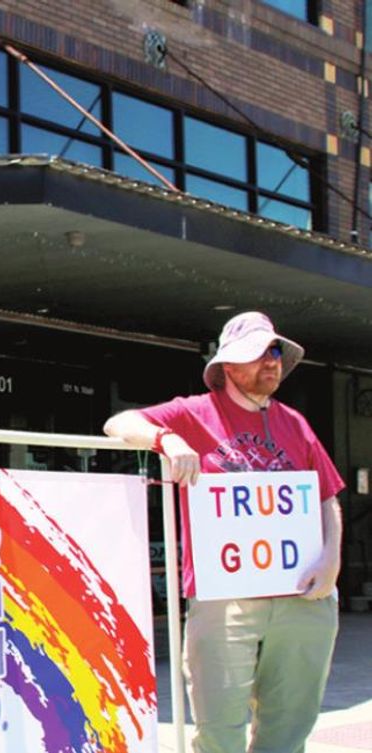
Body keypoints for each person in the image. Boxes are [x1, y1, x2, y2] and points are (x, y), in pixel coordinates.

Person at [103, 311, 343, 753]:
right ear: (229, 366)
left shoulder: (296, 423)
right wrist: (167, 440)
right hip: (224, 600)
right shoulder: (194, 412)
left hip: (302, 598)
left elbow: (328, 497)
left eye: (275, 352)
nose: (271, 362)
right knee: (218, 733)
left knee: (290, 728)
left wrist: (332, 560)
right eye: (258, 353)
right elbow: (118, 424)